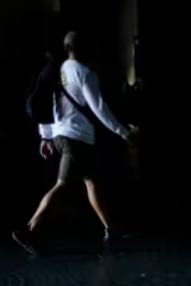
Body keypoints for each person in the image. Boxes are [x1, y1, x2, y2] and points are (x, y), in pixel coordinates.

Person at [12, 32, 136, 255]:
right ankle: (30, 229)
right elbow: (98, 108)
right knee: (63, 184)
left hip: (62, 135)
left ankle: (111, 229)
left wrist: (46, 136)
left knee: (92, 182)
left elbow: (50, 105)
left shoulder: (57, 70)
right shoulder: (84, 73)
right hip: (75, 138)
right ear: (84, 48)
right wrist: (124, 133)